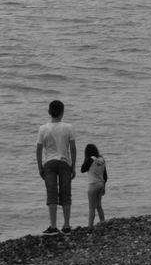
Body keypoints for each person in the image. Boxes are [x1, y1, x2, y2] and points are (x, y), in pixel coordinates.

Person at [36, 99, 77, 234]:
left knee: (51, 193)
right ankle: (66, 225)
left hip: (49, 163)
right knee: (66, 193)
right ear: (62, 112)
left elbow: (39, 149)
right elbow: (73, 148)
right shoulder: (68, 127)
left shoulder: (43, 128)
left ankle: (53, 226)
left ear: (49, 112)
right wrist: (73, 166)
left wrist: (40, 167)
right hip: (64, 163)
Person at [81, 144, 107, 229]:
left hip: (93, 185)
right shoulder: (102, 160)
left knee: (92, 207)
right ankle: (102, 222)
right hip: (101, 184)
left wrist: (85, 160)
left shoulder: (91, 160)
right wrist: (104, 187)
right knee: (99, 205)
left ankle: (90, 226)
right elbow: (105, 175)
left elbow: (82, 169)